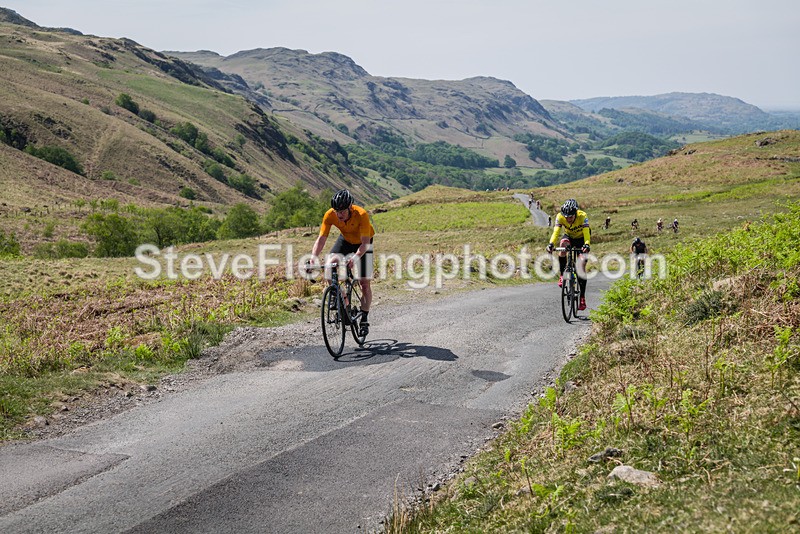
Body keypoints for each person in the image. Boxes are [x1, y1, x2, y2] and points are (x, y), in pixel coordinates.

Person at [310, 189, 375, 337]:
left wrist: (355, 258)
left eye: (342, 211)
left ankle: (364, 319)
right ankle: (341, 299)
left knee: (365, 284)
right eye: (337, 211)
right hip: (345, 240)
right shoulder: (330, 215)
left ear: (350, 207)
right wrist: (313, 257)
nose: (339, 215)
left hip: (363, 244)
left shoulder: (361, 214)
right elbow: (322, 238)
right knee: (329, 264)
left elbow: (365, 244)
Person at [546, 199, 591, 311]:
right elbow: (556, 232)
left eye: (570, 217)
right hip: (569, 237)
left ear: (575, 214)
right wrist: (551, 244)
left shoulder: (582, 216)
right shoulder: (560, 216)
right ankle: (562, 275)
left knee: (581, 266)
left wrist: (586, 244)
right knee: (562, 245)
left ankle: (582, 298)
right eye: (566, 217)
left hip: (581, 239)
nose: (568, 219)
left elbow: (586, 232)